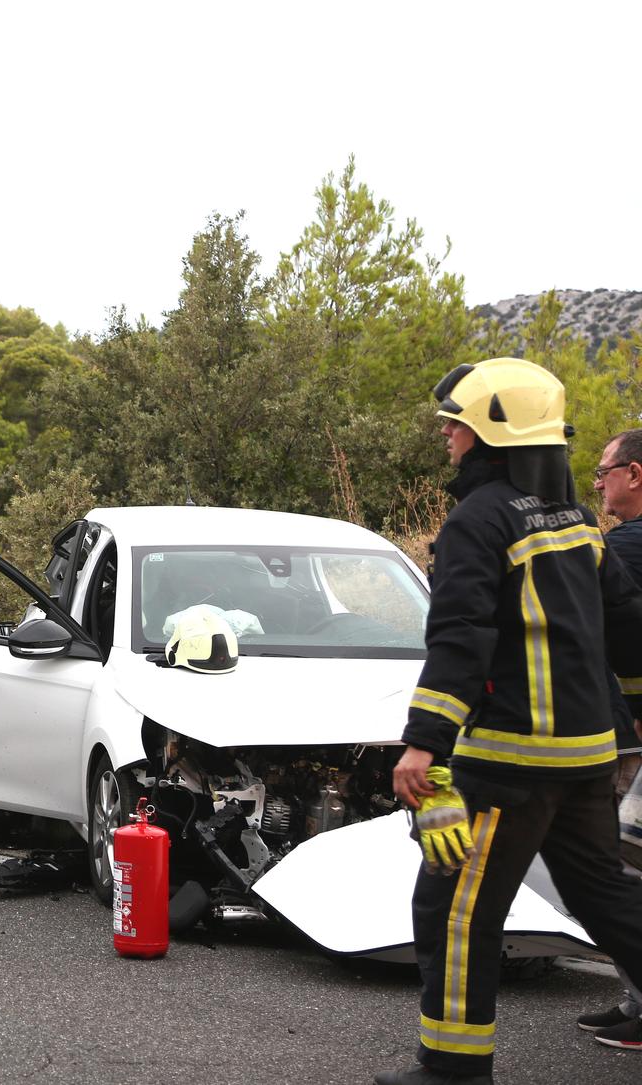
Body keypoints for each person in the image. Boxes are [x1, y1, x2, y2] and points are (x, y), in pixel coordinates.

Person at [375, 359, 642, 1085]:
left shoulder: (478, 520)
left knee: (455, 909)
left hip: (512, 763)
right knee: (606, 896)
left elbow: (461, 637)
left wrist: (423, 744)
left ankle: (454, 1069)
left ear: (493, 434)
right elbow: (627, 631)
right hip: (588, 759)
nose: (448, 438)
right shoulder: (579, 522)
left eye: (456, 424)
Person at [575, 426, 642, 1047]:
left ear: (635, 474)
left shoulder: (627, 547)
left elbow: (612, 638)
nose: (599, 483)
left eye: (604, 472)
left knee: (622, 868)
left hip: (628, 734)